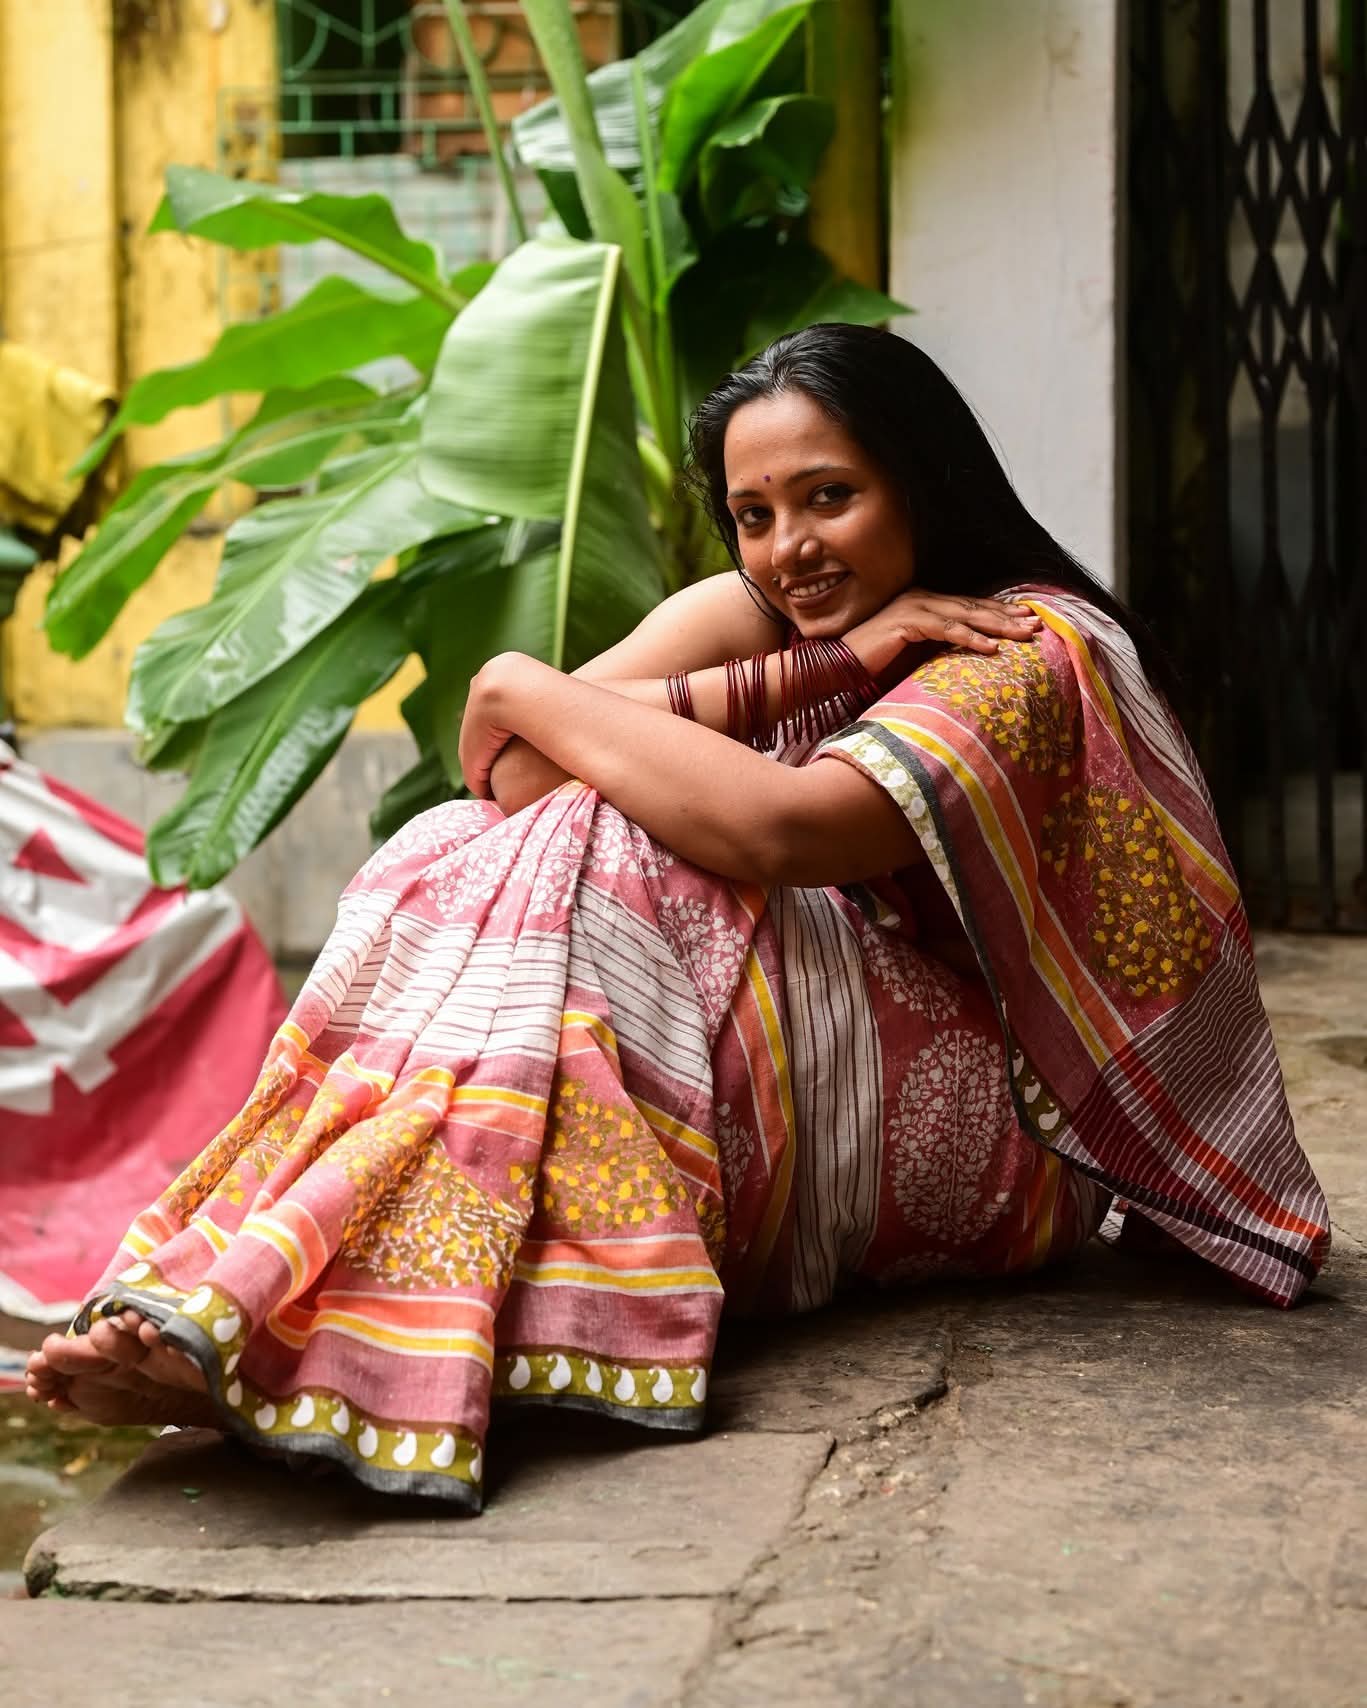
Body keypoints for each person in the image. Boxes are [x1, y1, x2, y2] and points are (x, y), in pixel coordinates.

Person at [26, 324, 1330, 1510]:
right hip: (819, 1072)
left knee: (613, 855)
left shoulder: (1021, 646)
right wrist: (813, 668)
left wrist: (526, 683)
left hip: (1003, 1130)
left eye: (832, 497)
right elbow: (512, 769)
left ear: (927, 482)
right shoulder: (780, 616)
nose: (791, 548)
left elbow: (782, 827)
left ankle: (344, 1322)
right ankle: (309, 1306)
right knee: (472, 841)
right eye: (755, 514)